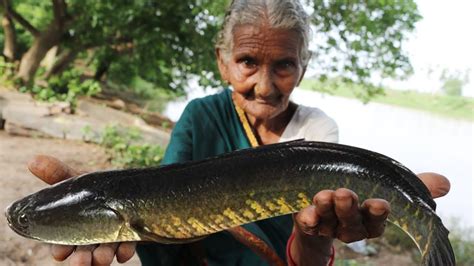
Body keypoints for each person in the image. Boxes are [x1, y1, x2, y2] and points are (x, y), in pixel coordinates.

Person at [28, 0, 451, 265]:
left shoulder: (317, 129)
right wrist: (102, 198)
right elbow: (167, 202)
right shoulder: (199, 116)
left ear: (302, 66)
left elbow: (311, 253)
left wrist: (315, 233)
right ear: (223, 62)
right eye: (248, 62)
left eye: (283, 65)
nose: (265, 86)